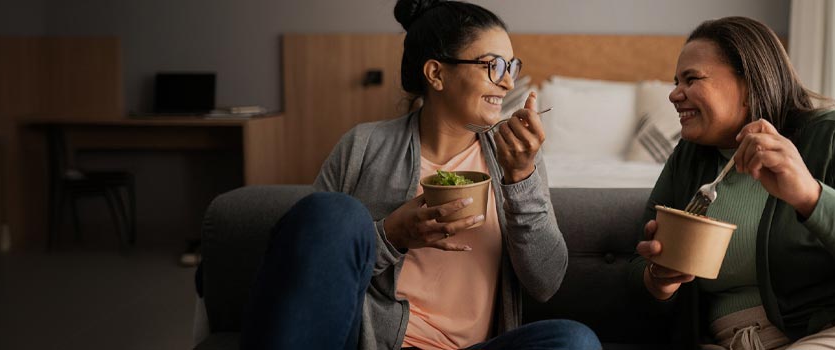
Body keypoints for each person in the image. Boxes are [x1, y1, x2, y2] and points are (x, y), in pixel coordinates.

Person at [236, 1, 598, 349]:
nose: (506, 83)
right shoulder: (362, 145)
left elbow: (546, 283)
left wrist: (521, 178)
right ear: (436, 73)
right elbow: (306, 262)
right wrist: (392, 234)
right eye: (493, 66)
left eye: (511, 67)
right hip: (369, 342)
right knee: (333, 213)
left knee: (574, 341)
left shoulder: (515, 160)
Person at [631, 16, 835, 350]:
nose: (674, 94)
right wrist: (658, 282)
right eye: (677, 81)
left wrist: (811, 196)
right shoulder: (689, 160)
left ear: (749, 84)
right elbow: (637, 269)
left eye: (691, 79)